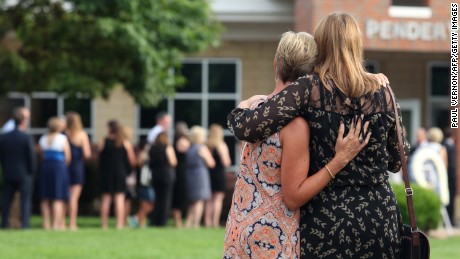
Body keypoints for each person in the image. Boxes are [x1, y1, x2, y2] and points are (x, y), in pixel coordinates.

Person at [227, 12, 408, 258]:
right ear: (357, 45)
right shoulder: (383, 92)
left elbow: (246, 128)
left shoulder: (310, 89)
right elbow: (398, 161)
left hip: (326, 218)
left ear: (320, 47)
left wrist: (244, 105)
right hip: (378, 216)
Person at [0, 108, 35, 229]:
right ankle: (25, 224)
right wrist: (32, 171)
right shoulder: (26, 137)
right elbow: (31, 156)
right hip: (24, 173)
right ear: (23, 122)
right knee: (25, 200)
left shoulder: (4, 137)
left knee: (6, 200)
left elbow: (2, 156)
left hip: (8, 172)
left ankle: (4, 223)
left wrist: (4, 168)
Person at [99, 120, 136, 229]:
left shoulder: (104, 141)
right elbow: (132, 161)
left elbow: (99, 157)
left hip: (107, 173)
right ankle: (119, 224)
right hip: (121, 173)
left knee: (106, 199)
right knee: (119, 199)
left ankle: (104, 224)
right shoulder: (124, 143)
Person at [38, 117, 71, 230]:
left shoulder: (43, 138)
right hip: (59, 167)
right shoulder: (62, 138)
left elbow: (42, 155)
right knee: (58, 196)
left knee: (45, 196)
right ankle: (56, 224)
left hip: (46, 166)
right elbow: (68, 156)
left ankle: (45, 223)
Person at [65, 112, 92, 230]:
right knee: (74, 197)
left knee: (64, 196)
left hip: (64, 166)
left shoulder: (63, 134)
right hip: (77, 167)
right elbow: (87, 154)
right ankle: (72, 223)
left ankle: (60, 221)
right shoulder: (82, 135)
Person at [184, 126, 215, 228]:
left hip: (189, 173)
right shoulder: (202, 148)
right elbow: (211, 163)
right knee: (199, 200)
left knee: (193, 200)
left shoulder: (190, 148)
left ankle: (188, 222)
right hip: (200, 173)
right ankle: (196, 223)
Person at [205, 123, 231, 228]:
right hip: (219, 173)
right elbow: (226, 162)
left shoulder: (207, 145)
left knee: (209, 198)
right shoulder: (221, 145)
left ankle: (207, 221)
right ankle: (215, 222)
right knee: (218, 198)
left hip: (209, 173)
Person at [149, 132, 177, 226]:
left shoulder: (152, 148)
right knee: (166, 199)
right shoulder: (167, 147)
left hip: (155, 175)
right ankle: (163, 221)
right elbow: (173, 162)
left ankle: (154, 220)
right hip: (166, 175)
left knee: (157, 199)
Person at [172, 121, 191, 228]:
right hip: (181, 171)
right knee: (179, 195)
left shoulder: (175, 140)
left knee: (179, 196)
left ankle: (178, 221)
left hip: (180, 170)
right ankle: (178, 222)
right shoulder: (182, 141)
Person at [443, 128, 457, 226]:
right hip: (449, 176)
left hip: (451, 176)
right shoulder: (447, 145)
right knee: (450, 198)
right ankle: (450, 220)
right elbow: (454, 112)